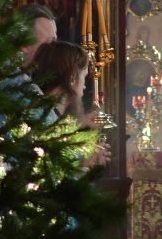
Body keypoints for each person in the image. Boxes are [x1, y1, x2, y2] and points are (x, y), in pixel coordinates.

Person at [29, 40, 112, 169]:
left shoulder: (43, 112)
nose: (84, 86)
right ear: (72, 78)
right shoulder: (43, 119)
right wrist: (85, 164)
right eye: (84, 77)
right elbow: (47, 173)